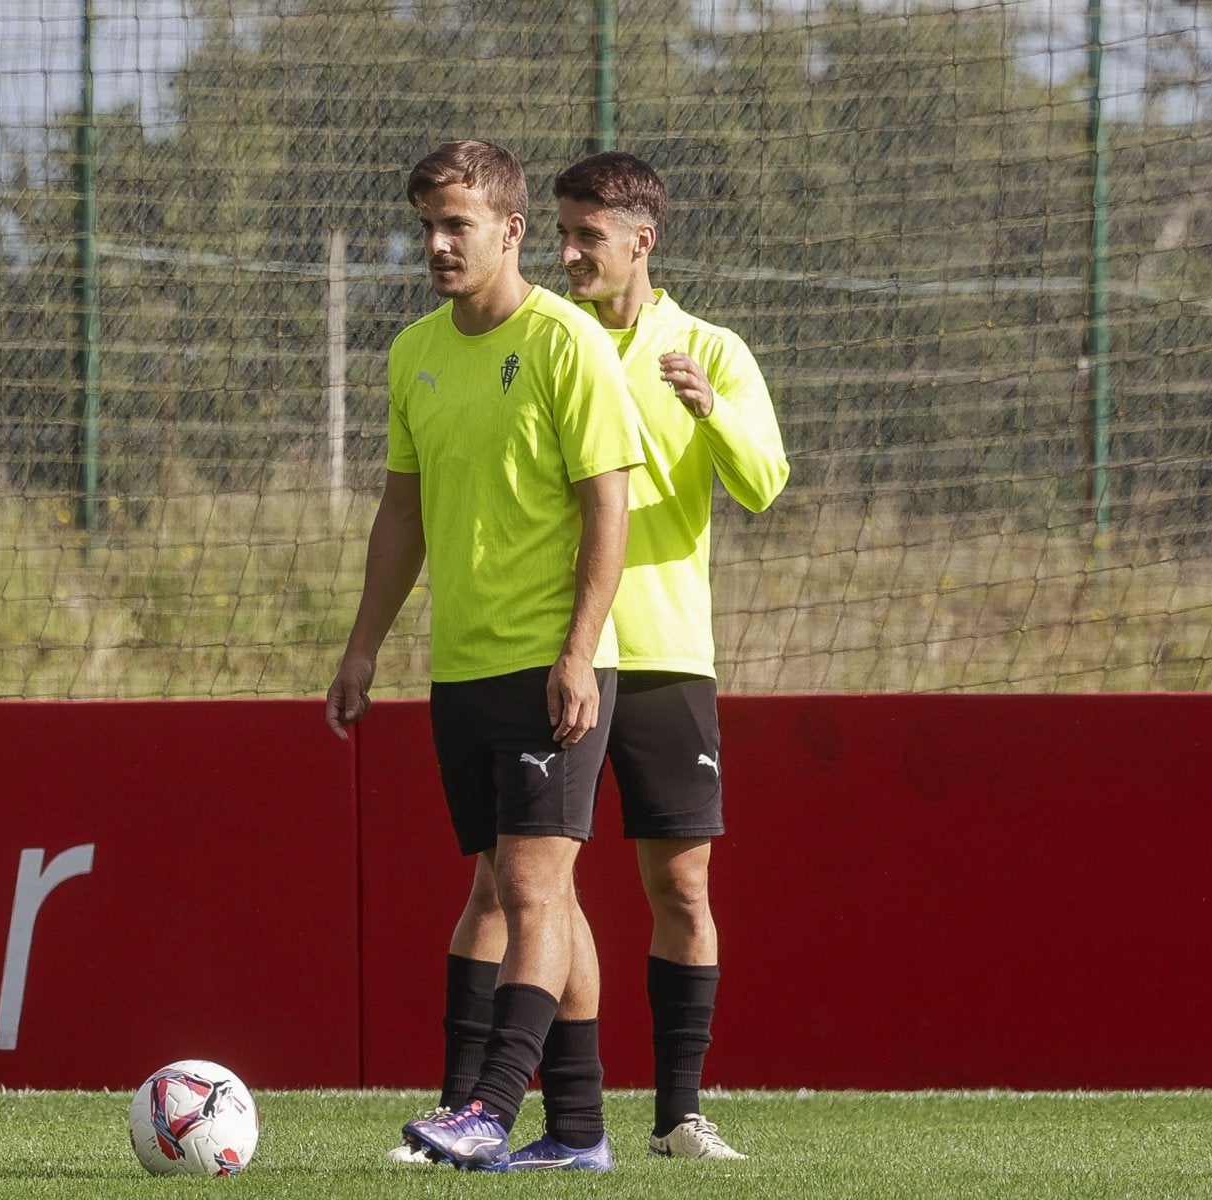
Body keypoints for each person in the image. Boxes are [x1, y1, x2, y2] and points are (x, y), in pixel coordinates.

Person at [395, 151, 791, 1170]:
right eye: (560, 235)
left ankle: (677, 1115)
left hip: (660, 654)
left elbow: (763, 482)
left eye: (589, 238)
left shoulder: (706, 348)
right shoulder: (540, 340)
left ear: (641, 242)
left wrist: (713, 409)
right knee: (520, 886)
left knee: (680, 889)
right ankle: (490, 1112)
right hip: (553, 649)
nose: (571, 253)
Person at [324, 140, 645, 1172]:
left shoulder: (566, 345)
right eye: (425, 223)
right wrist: (364, 647)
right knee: (516, 894)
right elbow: (401, 513)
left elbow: (610, 509)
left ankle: (486, 1108)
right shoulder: (414, 350)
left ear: (511, 231)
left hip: (555, 665)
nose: (435, 243)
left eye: (456, 224)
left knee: (532, 884)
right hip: (459, 672)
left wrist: (579, 652)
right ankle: (581, 1133)